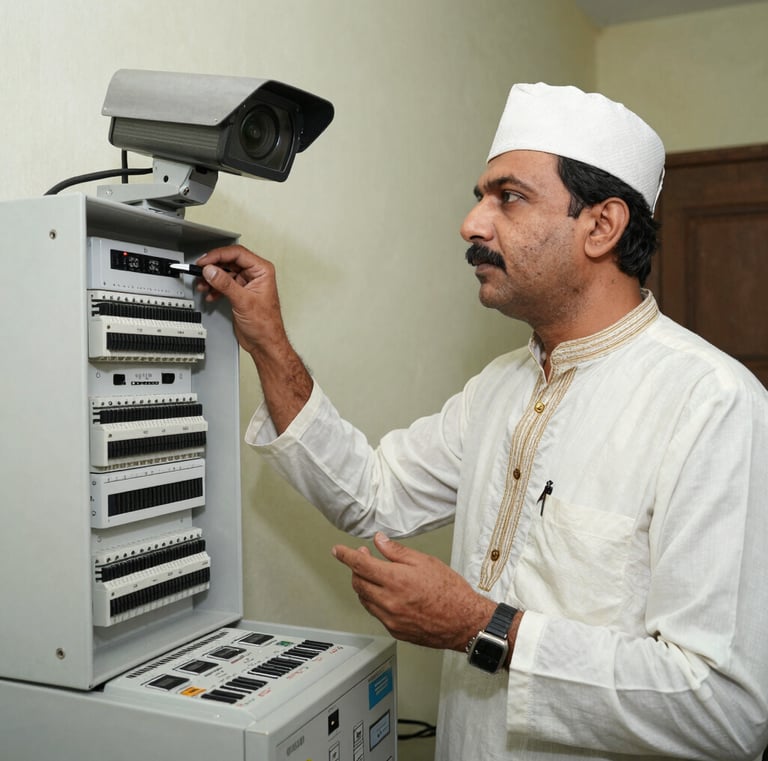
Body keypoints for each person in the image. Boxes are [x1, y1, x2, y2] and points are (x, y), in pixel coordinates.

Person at [194, 83, 768, 760]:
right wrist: (269, 343)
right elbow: (371, 494)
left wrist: (480, 625)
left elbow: (724, 708)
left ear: (602, 226)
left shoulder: (712, 404)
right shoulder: (500, 386)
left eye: (509, 197)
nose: (471, 223)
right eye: (480, 196)